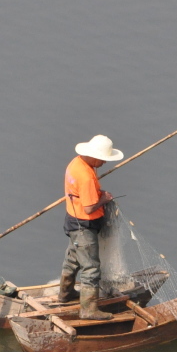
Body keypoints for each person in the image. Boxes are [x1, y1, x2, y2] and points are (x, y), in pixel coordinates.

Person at [58, 134, 124, 319]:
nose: (103, 163)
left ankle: (65, 294)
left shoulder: (76, 163)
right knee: (91, 267)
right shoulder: (86, 176)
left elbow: (82, 194)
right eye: (102, 159)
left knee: (72, 259)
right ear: (94, 156)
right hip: (83, 226)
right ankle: (88, 310)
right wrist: (103, 198)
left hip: (72, 220)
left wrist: (96, 193)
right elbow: (88, 208)